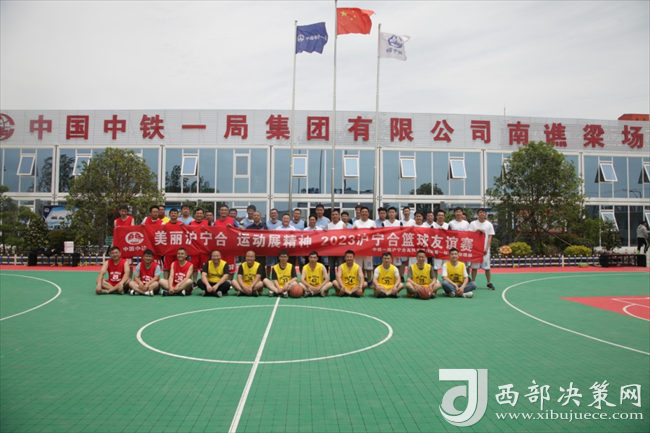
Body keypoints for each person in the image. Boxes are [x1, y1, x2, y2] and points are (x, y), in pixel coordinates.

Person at [469, 208, 495, 290]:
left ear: (485, 214)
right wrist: (476, 230)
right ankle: (473, 282)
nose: (482, 214)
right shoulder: (473, 224)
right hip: (475, 249)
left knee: (487, 267)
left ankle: (489, 283)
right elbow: (469, 234)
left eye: (483, 212)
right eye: (480, 212)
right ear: (477, 214)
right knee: (474, 267)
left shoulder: (489, 224)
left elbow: (490, 237)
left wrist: (487, 248)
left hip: (485, 249)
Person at [352, 206, 376, 282]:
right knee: (359, 266)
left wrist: (373, 230)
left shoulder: (372, 222)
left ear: (368, 213)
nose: (364, 213)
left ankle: (369, 280)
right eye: (362, 212)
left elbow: (376, 234)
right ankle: (362, 280)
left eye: (366, 212)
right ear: (360, 213)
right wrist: (354, 230)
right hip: (358, 248)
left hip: (368, 248)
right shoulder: (356, 222)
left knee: (368, 266)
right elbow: (352, 235)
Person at [190, 208, 210, 284]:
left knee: (204, 267)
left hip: (204, 249)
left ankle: (203, 281)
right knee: (194, 267)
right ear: (195, 215)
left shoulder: (207, 222)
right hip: (194, 249)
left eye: (200, 213)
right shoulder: (191, 223)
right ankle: (194, 281)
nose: (199, 215)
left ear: (203, 215)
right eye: (197, 213)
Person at [162, 208, 183, 278]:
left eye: (175, 213)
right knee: (167, 267)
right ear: (169, 214)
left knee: (179, 266)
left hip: (179, 250)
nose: (173, 214)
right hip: (168, 250)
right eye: (172, 213)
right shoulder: (165, 225)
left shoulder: (181, 224)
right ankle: (166, 281)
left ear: (178, 215)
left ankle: (178, 280)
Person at [382, 206, 404, 271]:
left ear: (395, 213)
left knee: (397, 264)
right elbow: (382, 234)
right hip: (387, 245)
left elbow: (402, 233)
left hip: (397, 245)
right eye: (390, 212)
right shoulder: (384, 223)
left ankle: (397, 276)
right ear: (388, 213)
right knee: (386, 262)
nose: (391, 213)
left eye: (393, 212)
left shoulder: (399, 223)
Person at [327, 209, 347, 280]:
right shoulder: (328, 225)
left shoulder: (342, 224)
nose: (334, 216)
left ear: (339, 216)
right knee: (331, 266)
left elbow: (346, 236)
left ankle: (340, 279)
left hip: (340, 249)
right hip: (330, 249)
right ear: (331, 216)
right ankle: (332, 279)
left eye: (336, 214)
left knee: (340, 265)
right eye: (333, 215)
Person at [431, 209, 449, 281]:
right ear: (436, 216)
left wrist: (444, 231)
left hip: (446, 249)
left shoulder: (448, 225)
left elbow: (452, 236)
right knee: (435, 267)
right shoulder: (432, 226)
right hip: (436, 250)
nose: (440, 216)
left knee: (446, 266)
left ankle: (446, 281)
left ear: (444, 216)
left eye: (442, 215)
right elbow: (429, 236)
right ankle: (435, 281)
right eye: (439, 215)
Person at [265, 208, 282, 276]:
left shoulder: (281, 223)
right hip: (269, 246)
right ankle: (268, 277)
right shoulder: (266, 223)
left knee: (278, 263)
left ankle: (277, 276)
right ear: (270, 215)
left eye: (274, 213)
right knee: (269, 263)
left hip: (279, 245)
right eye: (272, 213)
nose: (273, 214)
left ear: (277, 214)